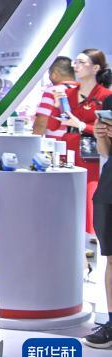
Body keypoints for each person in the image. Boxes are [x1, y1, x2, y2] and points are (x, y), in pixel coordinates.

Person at [63, 50, 112, 237]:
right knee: (67, 195)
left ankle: (91, 239)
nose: (75, 66)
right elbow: (54, 124)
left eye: (81, 62)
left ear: (96, 67)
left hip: (91, 151)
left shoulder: (105, 95)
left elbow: (103, 128)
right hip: (68, 147)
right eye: (75, 61)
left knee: (90, 196)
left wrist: (82, 126)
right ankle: (71, 237)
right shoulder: (67, 93)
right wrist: (57, 106)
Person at [87, 98, 112, 348]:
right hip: (108, 190)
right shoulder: (109, 102)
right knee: (111, 259)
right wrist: (100, 135)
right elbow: (106, 152)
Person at [33, 56, 75, 138]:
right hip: (81, 143)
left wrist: (33, 142)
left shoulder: (52, 91)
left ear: (54, 74)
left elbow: (41, 123)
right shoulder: (84, 90)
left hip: (58, 144)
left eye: (49, 73)